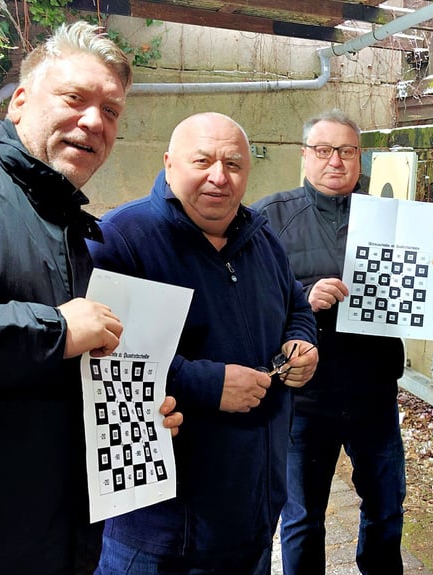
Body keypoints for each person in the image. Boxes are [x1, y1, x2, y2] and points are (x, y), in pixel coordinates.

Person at [0, 21, 182, 574]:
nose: (93, 121)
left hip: (55, 543)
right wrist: (52, 332)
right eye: (75, 98)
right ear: (20, 102)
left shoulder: (72, 230)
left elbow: (47, 377)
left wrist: (131, 419)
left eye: (112, 111)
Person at [87, 112, 318, 574]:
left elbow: (297, 305)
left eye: (233, 164)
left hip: (253, 515)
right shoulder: (121, 238)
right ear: (170, 164)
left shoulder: (262, 239)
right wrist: (206, 383)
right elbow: (98, 358)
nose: (219, 176)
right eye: (202, 160)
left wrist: (301, 342)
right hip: (159, 529)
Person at [251, 110, 433, 575]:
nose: (335, 162)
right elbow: (252, 300)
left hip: (374, 391)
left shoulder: (392, 217)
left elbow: (412, 300)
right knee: (303, 517)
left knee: (385, 506)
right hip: (304, 397)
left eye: (346, 151)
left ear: (359, 157)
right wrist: (305, 298)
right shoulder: (269, 217)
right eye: (323, 151)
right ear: (305, 156)